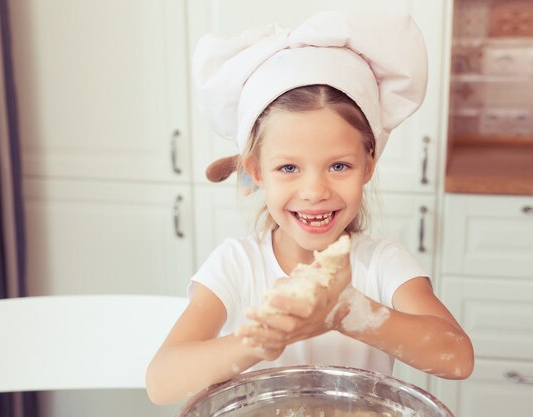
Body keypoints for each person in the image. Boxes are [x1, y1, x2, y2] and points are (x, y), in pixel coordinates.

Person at [146, 11, 474, 405]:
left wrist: (347, 311)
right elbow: (161, 383)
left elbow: (457, 358)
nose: (315, 191)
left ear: (368, 164)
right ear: (256, 170)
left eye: (339, 166)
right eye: (288, 168)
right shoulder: (236, 266)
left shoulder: (381, 265)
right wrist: (257, 342)